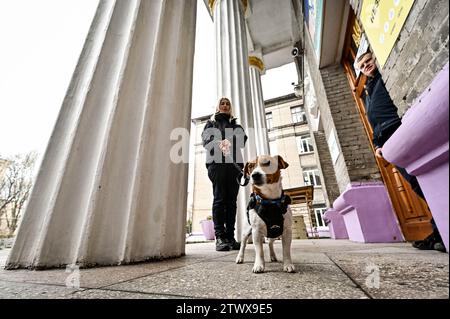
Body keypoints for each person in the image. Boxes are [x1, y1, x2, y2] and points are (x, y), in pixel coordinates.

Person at [357, 52, 445, 252]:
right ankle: (438, 229)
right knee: (416, 184)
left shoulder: (384, 77)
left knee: (423, 182)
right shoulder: (368, 90)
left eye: (368, 61)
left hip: (400, 131)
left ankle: (439, 231)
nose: (366, 66)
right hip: (390, 143)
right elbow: (373, 122)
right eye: (362, 66)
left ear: (375, 59)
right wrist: (377, 145)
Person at [201, 97, 248, 251]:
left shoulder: (236, 125)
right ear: (218, 107)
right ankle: (219, 237)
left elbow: (242, 139)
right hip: (217, 165)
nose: (226, 105)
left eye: (228, 103)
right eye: (223, 103)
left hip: (234, 167)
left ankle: (230, 237)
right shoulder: (211, 123)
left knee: (232, 203)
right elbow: (207, 140)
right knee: (220, 199)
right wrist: (220, 142)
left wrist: (227, 140)